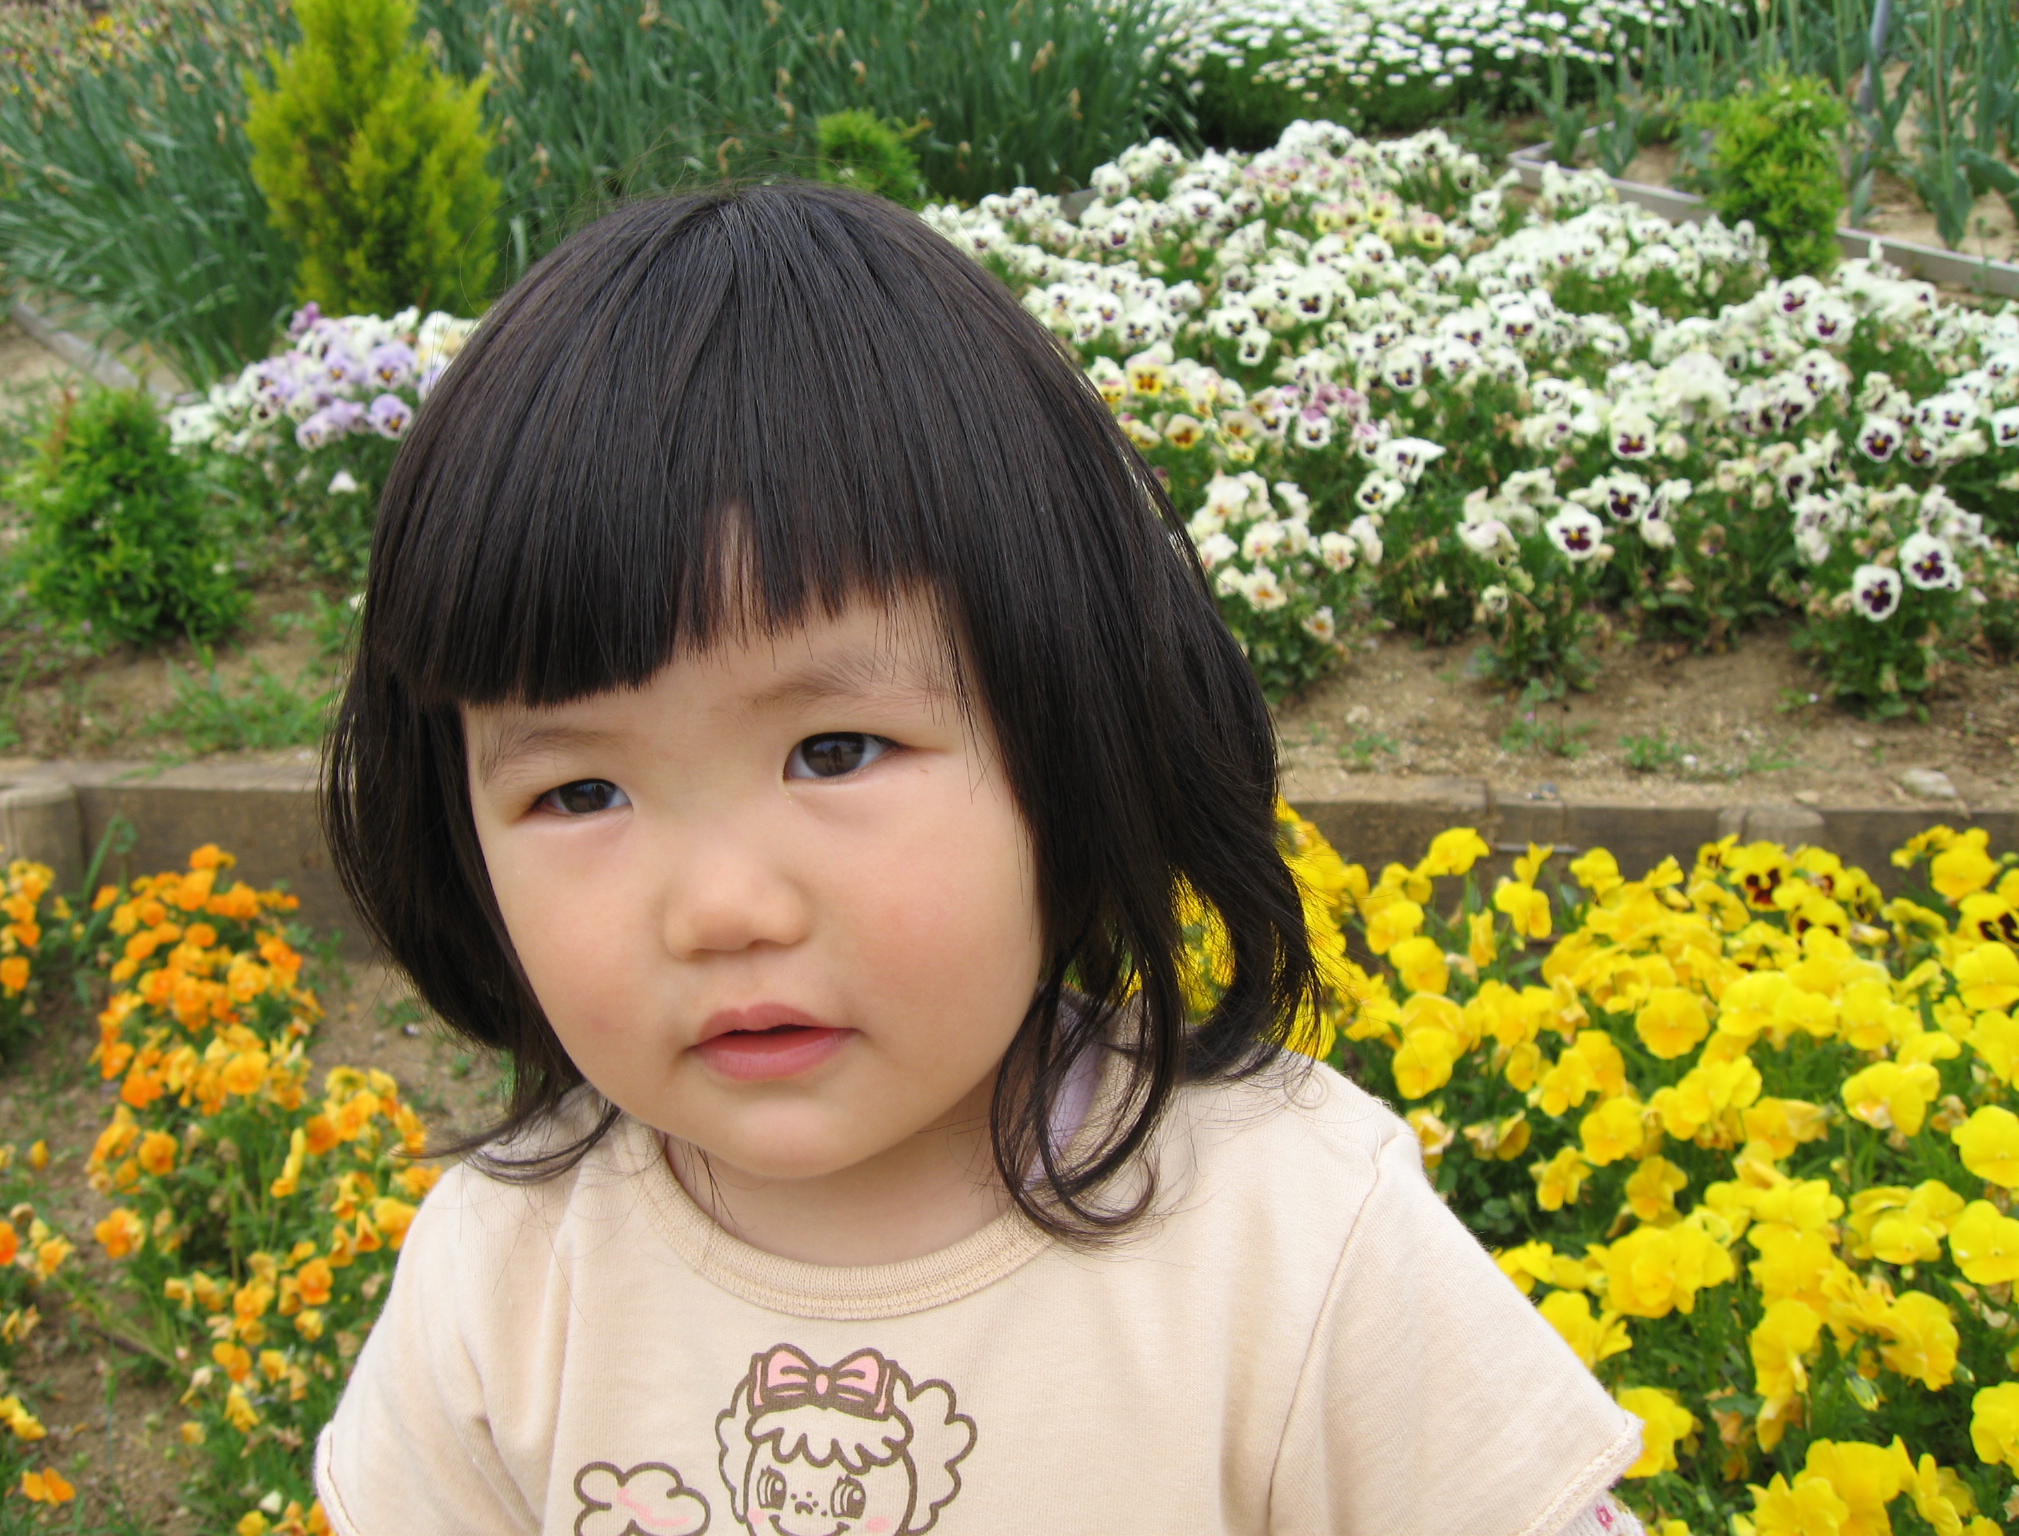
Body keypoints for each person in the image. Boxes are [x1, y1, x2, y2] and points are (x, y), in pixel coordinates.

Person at [314, 182, 1646, 1536]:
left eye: (834, 752)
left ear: (1071, 731)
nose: (720, 908)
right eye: (582, 789)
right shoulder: (507, 1278)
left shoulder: (1287, 1238)